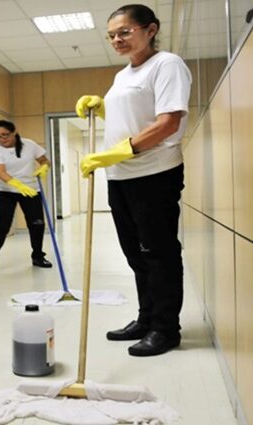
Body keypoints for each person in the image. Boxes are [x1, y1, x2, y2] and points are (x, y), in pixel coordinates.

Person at [76, 4, 191, 357]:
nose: (117, 40)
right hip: (121, 177)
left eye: (124, 32)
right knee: (135, 254)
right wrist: (102, 106)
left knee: (158, 254)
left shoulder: (167, 64)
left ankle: (166, 330)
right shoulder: (123, 75)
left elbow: (168, 122)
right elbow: (133, 113)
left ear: (150, 29)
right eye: (111, 35)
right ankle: (146, 319)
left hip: (154, 173)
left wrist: (120, 151)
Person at [0, 120, 53, 276]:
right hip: (5, 191)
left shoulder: (30, 145)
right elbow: (0, 172)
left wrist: (44, 167)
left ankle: (38, 256)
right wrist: (17, 185)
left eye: (5, 135)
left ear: (14, 131)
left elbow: (44, 160)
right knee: (1, 226)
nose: (1, 139)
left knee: (37, 224)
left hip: (31, 190)